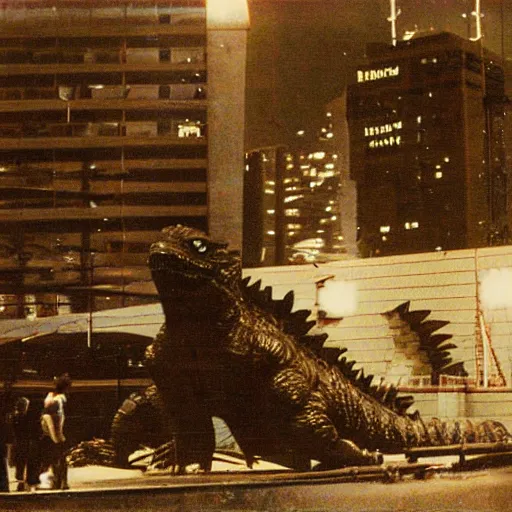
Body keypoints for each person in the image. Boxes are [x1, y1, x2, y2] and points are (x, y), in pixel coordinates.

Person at [39, 374, 71, 490]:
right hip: (56, 436)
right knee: (60, 459)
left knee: (56, 459)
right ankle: (61, 482)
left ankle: (58, 482)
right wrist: (56, 435)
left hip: (52, 435)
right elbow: (50, 416)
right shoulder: (58, 401)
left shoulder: (53, 399)